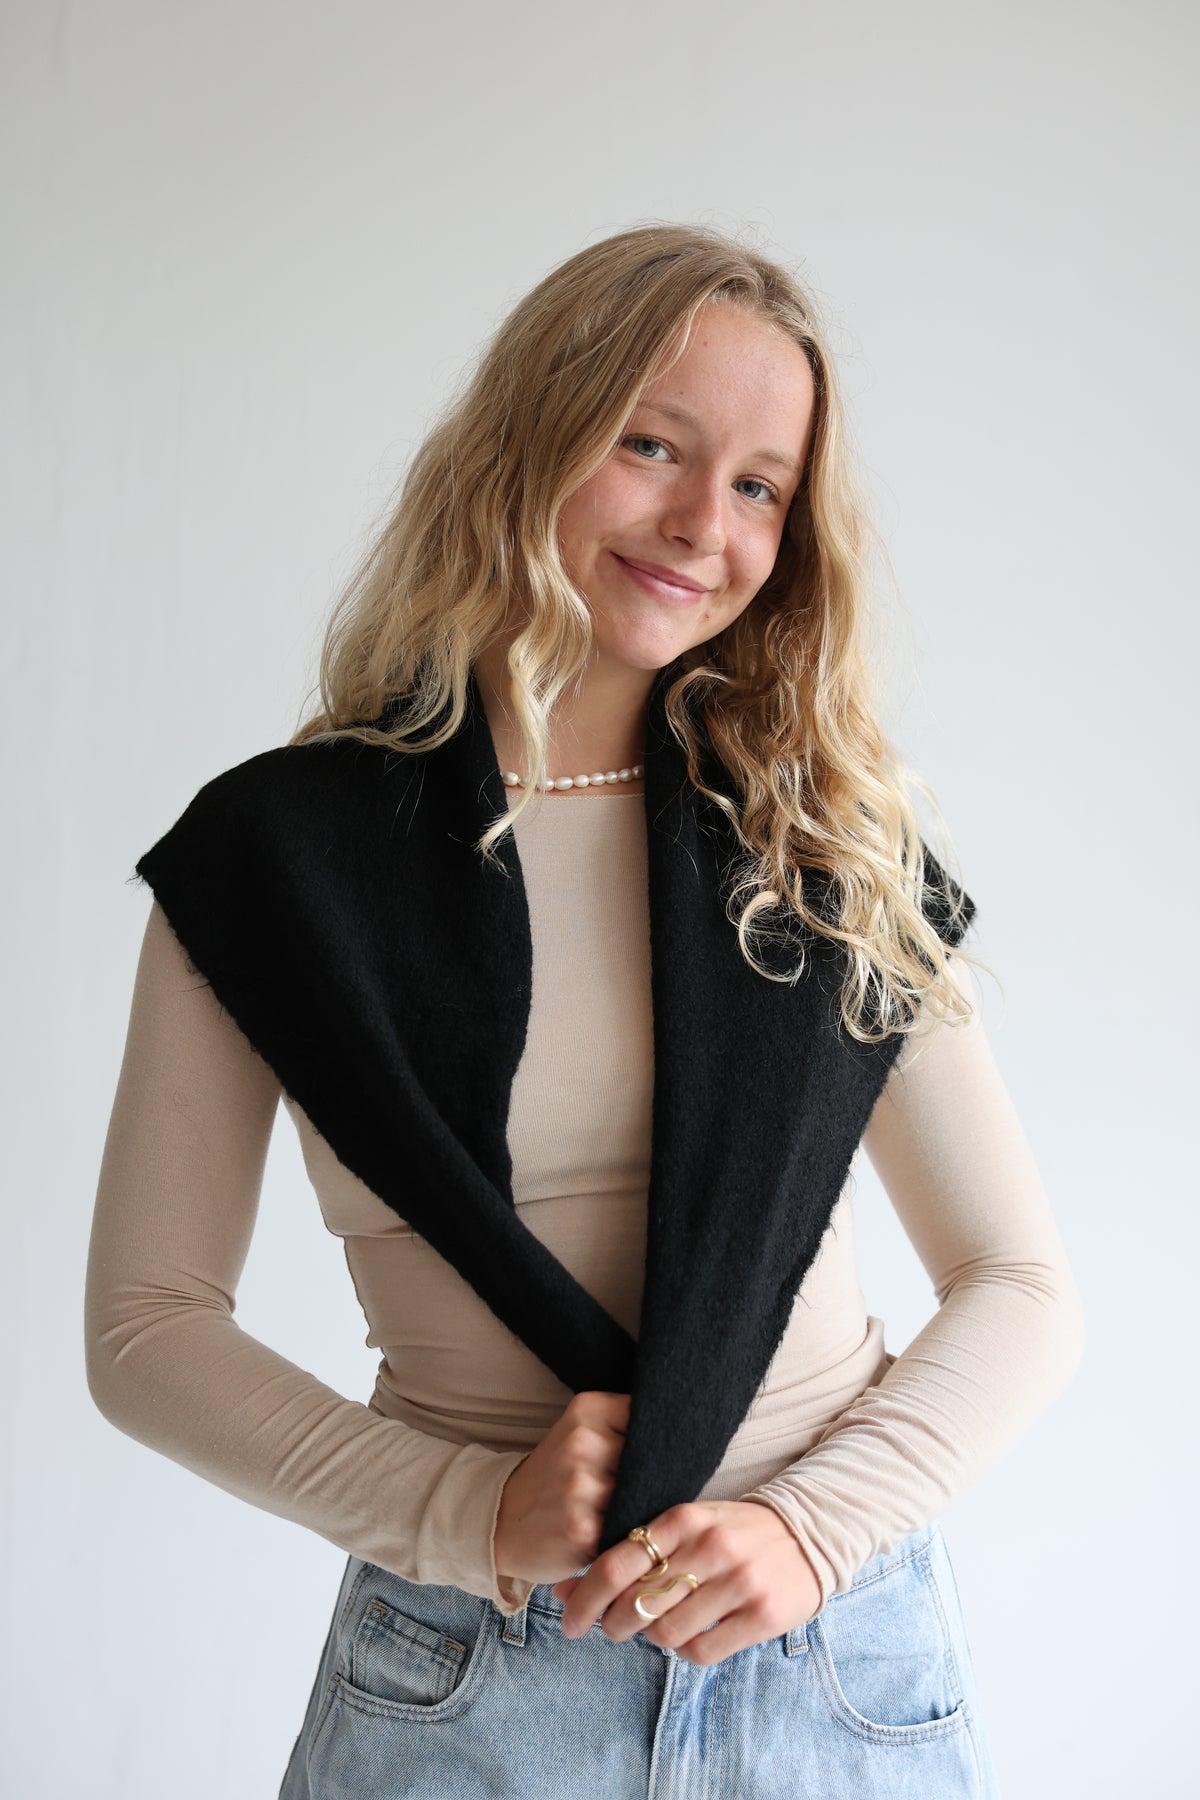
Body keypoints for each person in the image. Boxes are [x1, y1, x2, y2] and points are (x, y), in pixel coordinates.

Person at [85, 223, 1085, 1798]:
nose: (703, 523)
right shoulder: (278, 862)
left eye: (760, 487)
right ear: (530, 437)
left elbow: (1020, 1283)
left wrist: (812, 1532)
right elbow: (147, 1330)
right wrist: (464, 1513)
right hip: (473, 1661)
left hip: (831, 1652)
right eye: (652, 446)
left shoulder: (820, 838)